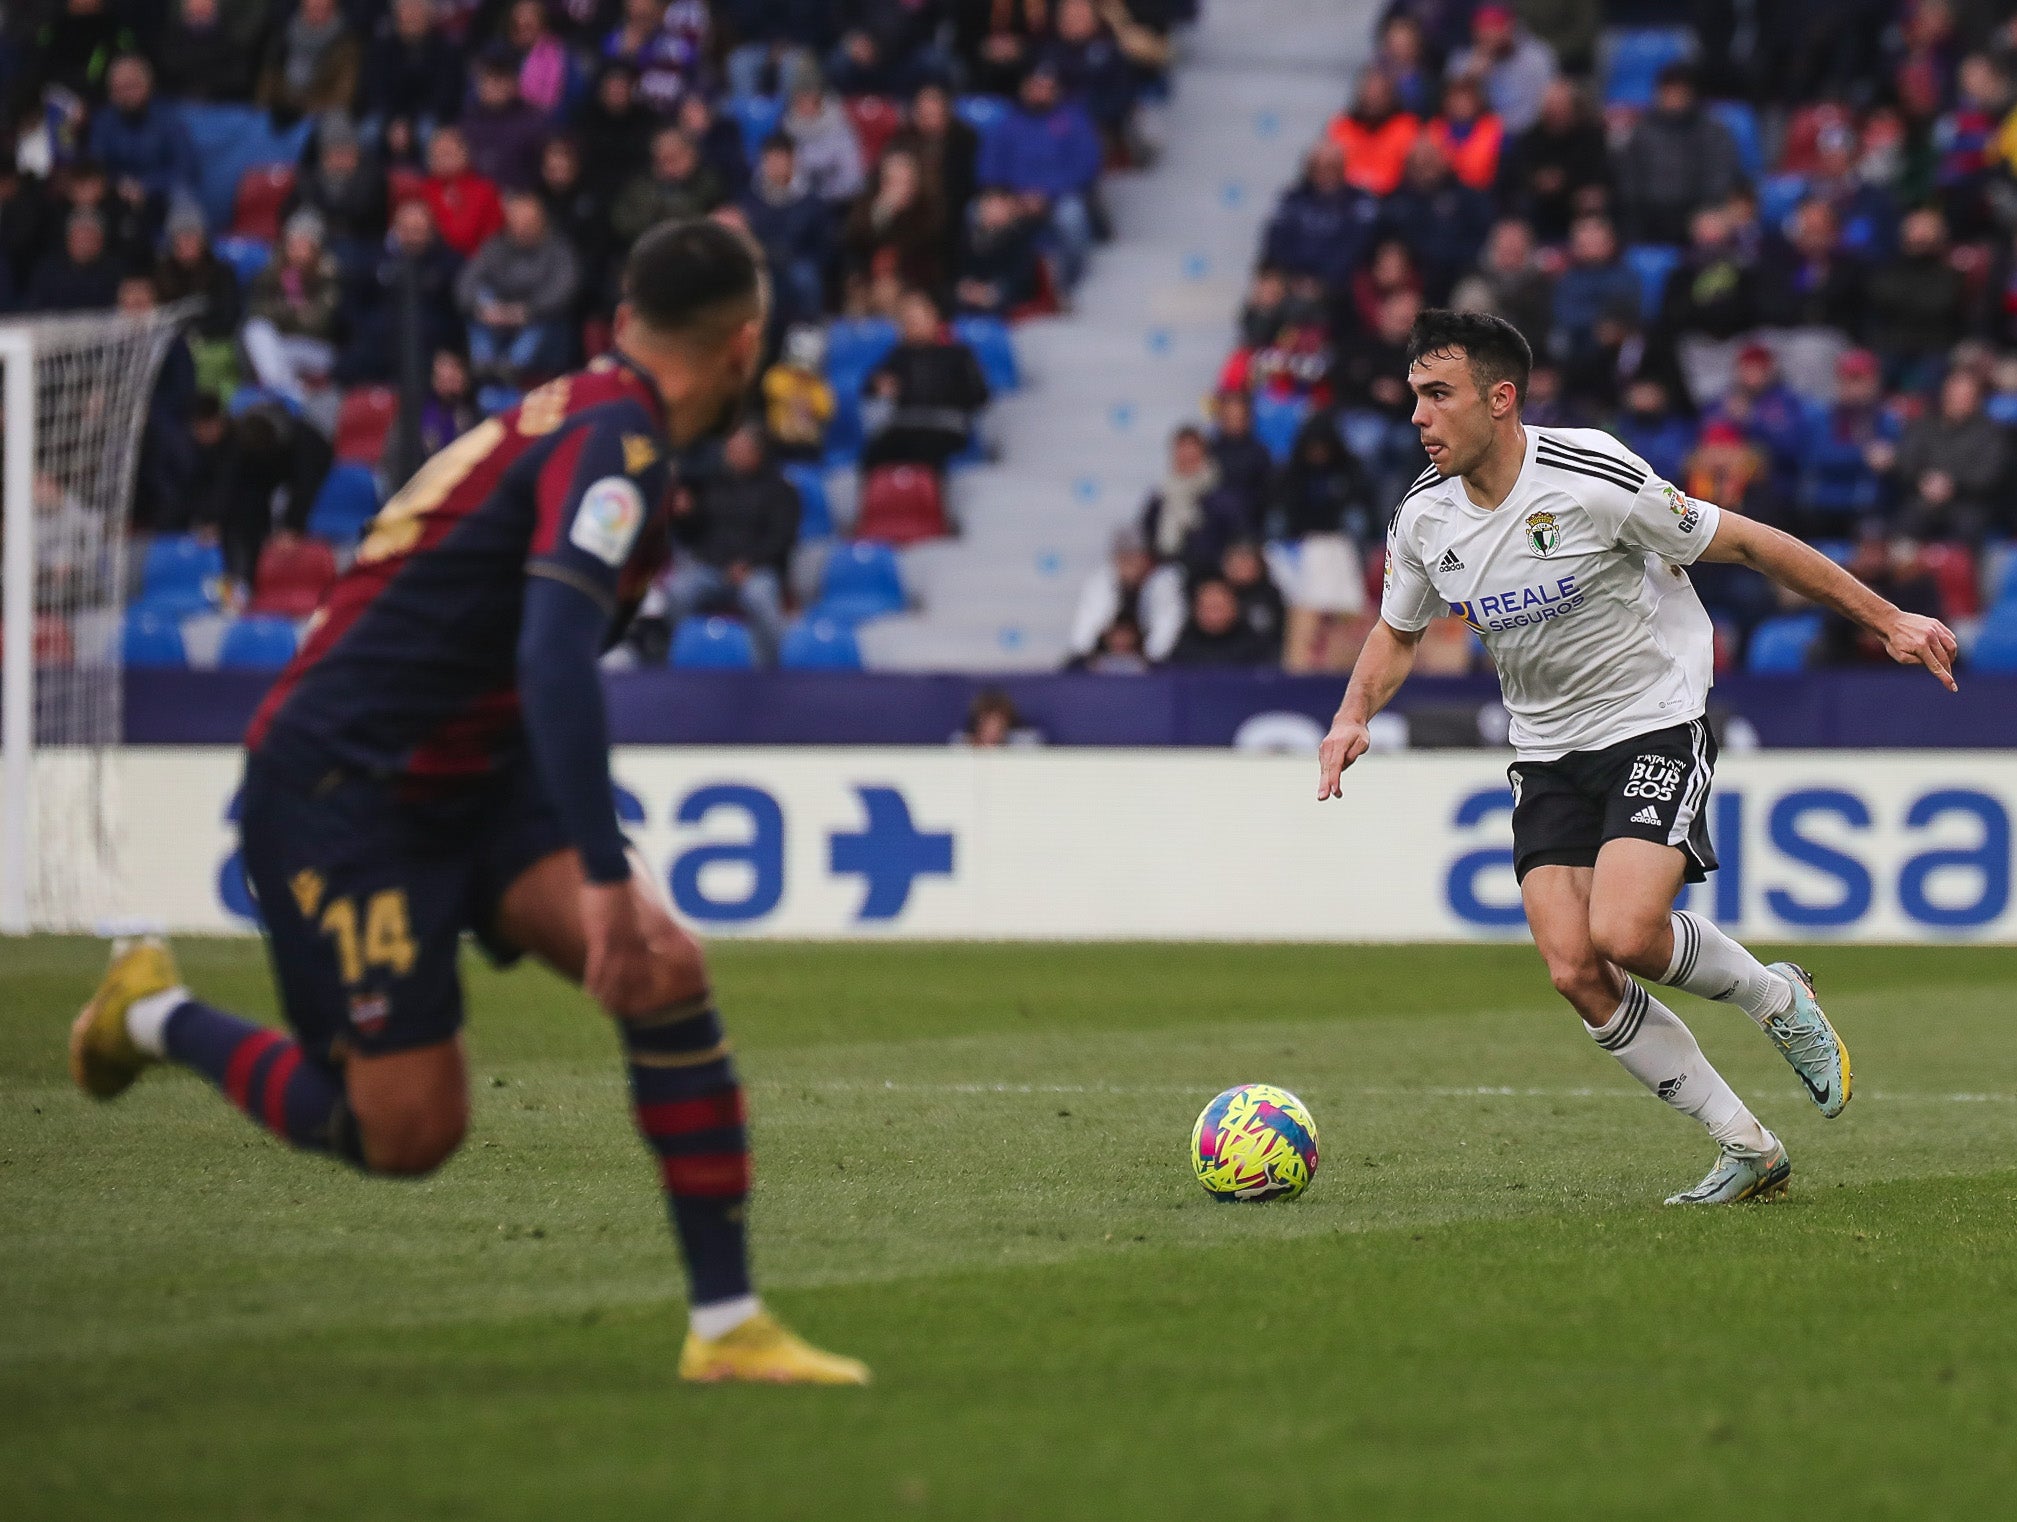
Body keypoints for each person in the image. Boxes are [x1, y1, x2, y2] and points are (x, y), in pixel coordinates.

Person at [69, 220, 868, 1387]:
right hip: (351, 780)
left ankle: (727, 1325)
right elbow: (553, 654)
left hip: (468, 763)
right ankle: (152, 1014)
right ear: (745, 346)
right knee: (408, 1130)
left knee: (661, 965)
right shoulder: (619, 443)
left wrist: (608, 886)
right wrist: (602, 877)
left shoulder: (586, 407)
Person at [1316, 308, 1956, 1206]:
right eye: (1413, 394)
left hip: (1650, 719)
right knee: (1575, 968)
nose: (1416, 415)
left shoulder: (1589, 475)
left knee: (1623, 932)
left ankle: (1775, 998)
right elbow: (1395, 631)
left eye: (1436, 394)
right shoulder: (1422, 520)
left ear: (1499, 400)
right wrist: (1351, 715)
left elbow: (1743, 541)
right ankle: (1746, 1144)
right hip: (1545, 751)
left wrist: (1888, 618)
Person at [660, 424, 799, 665]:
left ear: (757, 453)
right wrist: (685, 515)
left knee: (761, 599)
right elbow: (693, 534)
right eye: (730, 448)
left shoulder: (779, 489)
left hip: (756, 569)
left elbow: (782, 537)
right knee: (678, 592)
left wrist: (750, 563)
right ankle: (676, 660)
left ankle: (773, 668)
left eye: (738, 449)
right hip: (711, 567)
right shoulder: (712, 483)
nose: (730, 454)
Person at [975, 63, 1104, 290]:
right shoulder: (1006, 123)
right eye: (1035, 86)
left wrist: (1046, 194)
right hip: (1014, 199)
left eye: (1047, 87)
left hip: (1059, 198)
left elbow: (1086, 166)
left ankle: (1068, 286)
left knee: (1072, 217)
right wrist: (1007, 198)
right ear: (1023, 88)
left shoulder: (1073, 121)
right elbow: (989, 169)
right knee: (976, 214)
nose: (1040, 92)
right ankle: (991, 287)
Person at [457, 189, 581, 383]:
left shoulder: (558, 250)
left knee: (545, 320)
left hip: (538, 323)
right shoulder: (495, 247)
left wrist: (526, 311)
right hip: (498, 321)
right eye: (517, 223)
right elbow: (466, 284)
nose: (522, 229)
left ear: (541, 221)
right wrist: (484, 310)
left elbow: (564, 289)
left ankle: (513, 366)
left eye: (528, 223)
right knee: (480, 296)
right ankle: (484, 363)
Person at [861, 288, 991, 473]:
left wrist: (952, 395)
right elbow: (871, 388)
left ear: (932, 318)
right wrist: (878, 387)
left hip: (946, 427)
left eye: (915, 319)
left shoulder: (958, 355)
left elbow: (980, 395)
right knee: (874, 454)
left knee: (927, 451)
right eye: (905, 320)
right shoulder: (896, 358)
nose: (910, 325)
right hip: (904, 428)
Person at [1068, 525, 1184, 662]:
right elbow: (1084, 636)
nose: (1128, 564)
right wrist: (1091, 659)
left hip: (1153, 665)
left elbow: (1165, 632)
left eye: (1133, 556)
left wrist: (1145, 663)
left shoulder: (1165, 582)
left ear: (1147, 558)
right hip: (1106, 660)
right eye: (1123, 557)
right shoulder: (1101, 581)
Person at [1164, 577, 1277, 666]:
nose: (1213, 614)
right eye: (1208, 607)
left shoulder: (1255, 649)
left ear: (1234, 608)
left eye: (1218, 607)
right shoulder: (1180, 649)